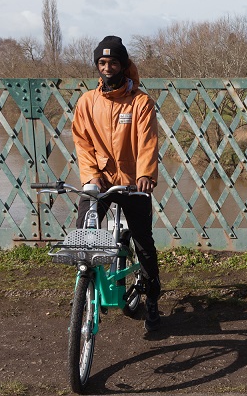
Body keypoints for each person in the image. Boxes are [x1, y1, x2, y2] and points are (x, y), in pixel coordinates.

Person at [72, 35, 162, 332]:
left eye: (112, 62)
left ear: (123, 65)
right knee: (83, 233)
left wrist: (146, 173)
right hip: (99, 179)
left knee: (143, 242)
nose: (107, 67)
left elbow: (147, 141)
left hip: (134, 182)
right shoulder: (87, 101)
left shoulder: (140, 102)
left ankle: (152, 300)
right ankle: (87, 284)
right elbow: (82, 142)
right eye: (101, 62)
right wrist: (90, 176)